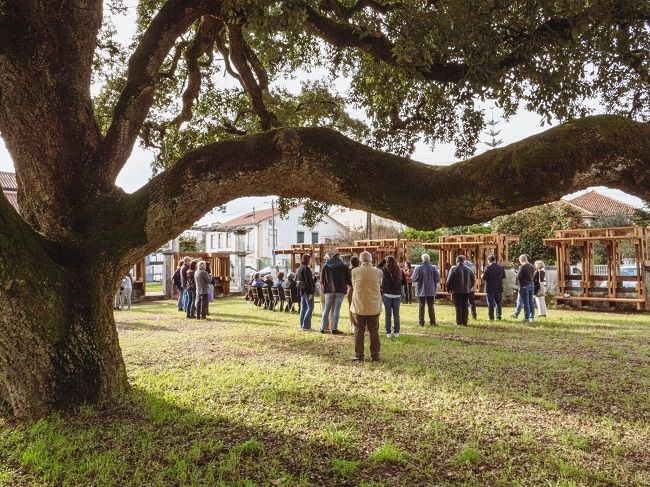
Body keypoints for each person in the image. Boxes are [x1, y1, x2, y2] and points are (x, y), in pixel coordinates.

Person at [350, 251, 383, 361]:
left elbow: (354, 284)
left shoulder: (355, 271)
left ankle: (359, 355)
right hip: (374, 305)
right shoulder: (378, 272)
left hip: (359, 305)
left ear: (360, 260)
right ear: (371, 259)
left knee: (359, 330)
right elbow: (380, 284)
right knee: (374, 330)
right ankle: (375, 355)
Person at [320, 252, 351, 335]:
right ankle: (334, 328)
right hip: (340, 290)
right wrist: (350, 286)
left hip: (329, 290)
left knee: (326, 309)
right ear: (339, 257)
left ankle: (322, 327)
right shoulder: (344, 266)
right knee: (336, 309)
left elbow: (322, 280)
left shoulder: (325, 266)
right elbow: (348, 279)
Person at [411, 253, 440, 326]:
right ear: (429, 259)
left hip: (421, 289)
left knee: (421, 306)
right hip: (431, 289)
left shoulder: (418, 268)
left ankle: (421, 322)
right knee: (431, 306)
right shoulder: (433, 268)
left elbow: (414, 278)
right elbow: (437, 279)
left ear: (422, 259)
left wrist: (419, 279)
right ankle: (433, 322)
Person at [446, 255, 475, 326]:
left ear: (457, 261)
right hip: (466, 290)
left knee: (458, 306)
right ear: (464, 261)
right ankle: (465, 321)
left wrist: (448, 290)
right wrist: (469, 287)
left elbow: (449, 281)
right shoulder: (469, 269)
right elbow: (473, 281)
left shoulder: (453, 269)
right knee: (465, 305)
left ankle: (459, 321)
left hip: (456, 291)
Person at [382, 255, 406, 338]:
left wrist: (383, 261)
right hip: (397, 294)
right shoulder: (400, 270)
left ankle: (388, 332)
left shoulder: (385, 270)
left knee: (387, 315)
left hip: (387, 294)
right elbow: (404, 282)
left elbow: (378, 267)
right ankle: (396, 332)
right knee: (396, 315)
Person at [482, 255, 506, 321]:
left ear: (489, 260)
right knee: (498, 303)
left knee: (491, 303)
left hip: (490, 288)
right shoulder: (501, 267)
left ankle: (491, 317)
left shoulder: (487, 267)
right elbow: (503, 276)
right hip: (498, 287)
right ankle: (499, 316)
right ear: (494, 260)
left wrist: (482, 275)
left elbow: (484, 277)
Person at [296, 254, 316, 330]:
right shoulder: (306, 269)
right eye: (310, 259)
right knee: (310, 307)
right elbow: (308, 281)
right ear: (308, 260)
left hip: (302, 290)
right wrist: (311, 292)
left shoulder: (300, 268)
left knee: (303, 308)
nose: (311, 261)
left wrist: (313, 279)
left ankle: (302, 325)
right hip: (307, 291)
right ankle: (306, 326)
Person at [517, 254, 536, 323]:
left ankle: (526, 318)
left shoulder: (522, 267)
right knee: (531, 302)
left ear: (521, 260)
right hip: (531, 285)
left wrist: (517, 273)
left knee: (526, 303)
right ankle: (532, 317)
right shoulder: (532, 266)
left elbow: (519, 277)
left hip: (524, 286)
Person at [347, 256, 361, 332]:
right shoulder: (360, 270)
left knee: (351, 308)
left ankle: (352, 325)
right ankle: (361, 324)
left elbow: (347, 281)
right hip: (359, 290)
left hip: (351, 289)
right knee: (359, 307)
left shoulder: (349, 270)